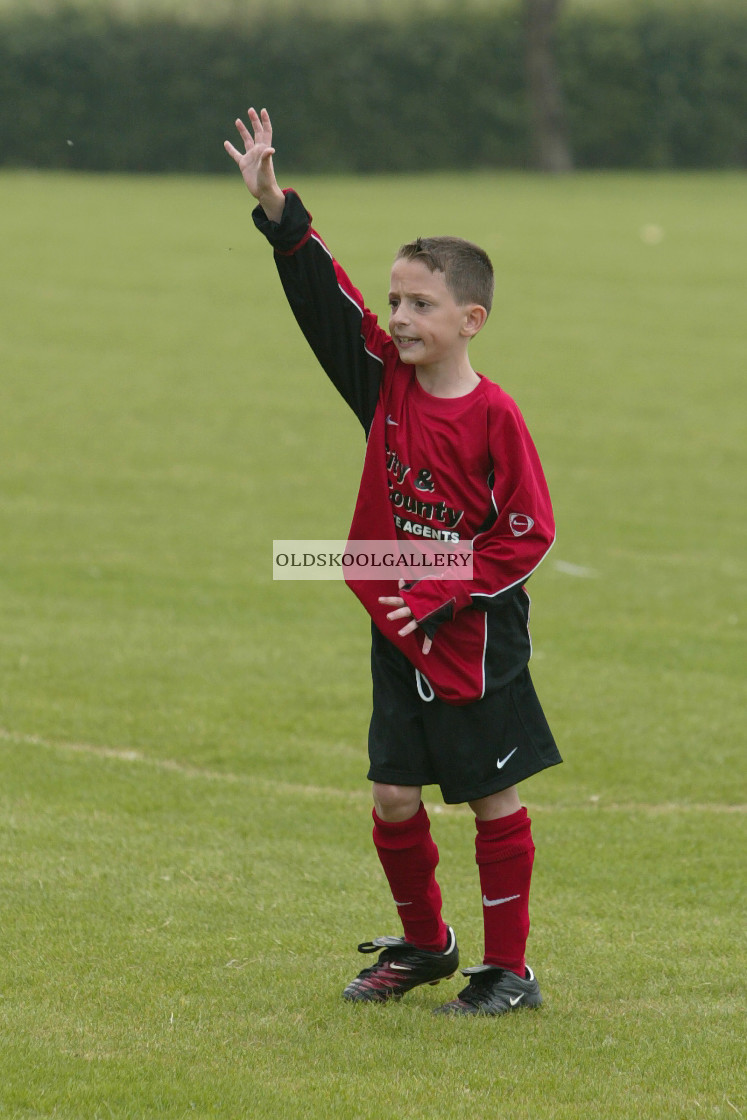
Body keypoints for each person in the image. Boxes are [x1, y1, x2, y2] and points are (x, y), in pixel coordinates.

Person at [225, 109, 562, 1016]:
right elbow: (326, 306)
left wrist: (449, 585)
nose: (399, 317)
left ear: (470, 319)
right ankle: (425, 945)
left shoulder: (495, 418)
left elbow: (528, 534)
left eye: (419, 304)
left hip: (473, 633)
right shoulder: (385, 385)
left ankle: (509, 970)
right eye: (396, 301)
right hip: (397, 623)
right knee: (391, 795)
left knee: (490, 797)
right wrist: (281, 215)